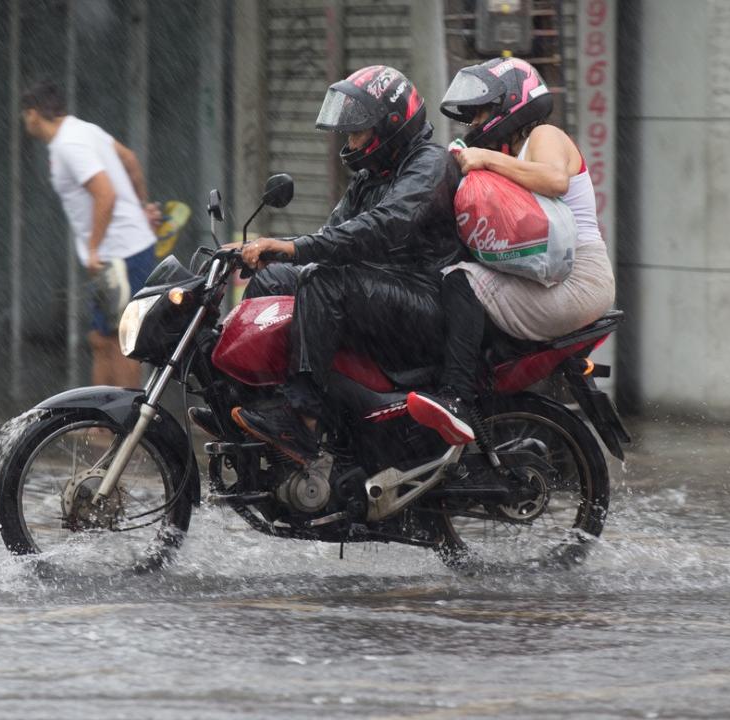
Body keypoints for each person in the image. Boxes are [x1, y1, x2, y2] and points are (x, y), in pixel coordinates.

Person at [226, 65, 466, 465]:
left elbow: (382, 226)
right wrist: (272, 250)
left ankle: (302, 419)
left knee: (323, 281)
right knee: (274, 279)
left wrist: (295, 248)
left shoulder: (430, 165)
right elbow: (332, 237)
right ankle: (259, 398)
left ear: (391, 125)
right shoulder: (370, 175)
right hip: (378, 293)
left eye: (358, 132)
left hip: (424, 303)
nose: (352, 142)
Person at [409, 58, 616, 444]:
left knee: (460, 283)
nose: (474, 124)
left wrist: (487, 159)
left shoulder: (545, 136)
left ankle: (455, 399)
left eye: (482, 112)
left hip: (578, 280)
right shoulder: (511, 155)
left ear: (511, 104)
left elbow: (555, 180)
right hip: (549, 278)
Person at [20, 80, 163, 388]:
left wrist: (94, 248)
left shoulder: (68, 145)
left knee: (122, 340)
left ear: (33, 113)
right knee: (101, 339)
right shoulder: (83, 131)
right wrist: (142, 207)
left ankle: (126, 421)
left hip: (120, 254)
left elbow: (105, 194)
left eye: (25, 114)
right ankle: (102, 423)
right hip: (121, 252)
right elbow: (130, 160)